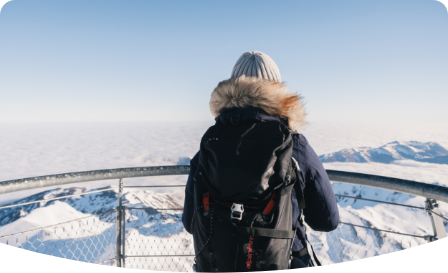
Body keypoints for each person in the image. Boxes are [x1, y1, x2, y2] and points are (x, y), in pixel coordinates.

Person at [182, 51, 340, 270]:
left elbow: (190, 222)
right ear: (278, 90)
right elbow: (327, 221)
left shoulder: (210, 146)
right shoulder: (295, 145)